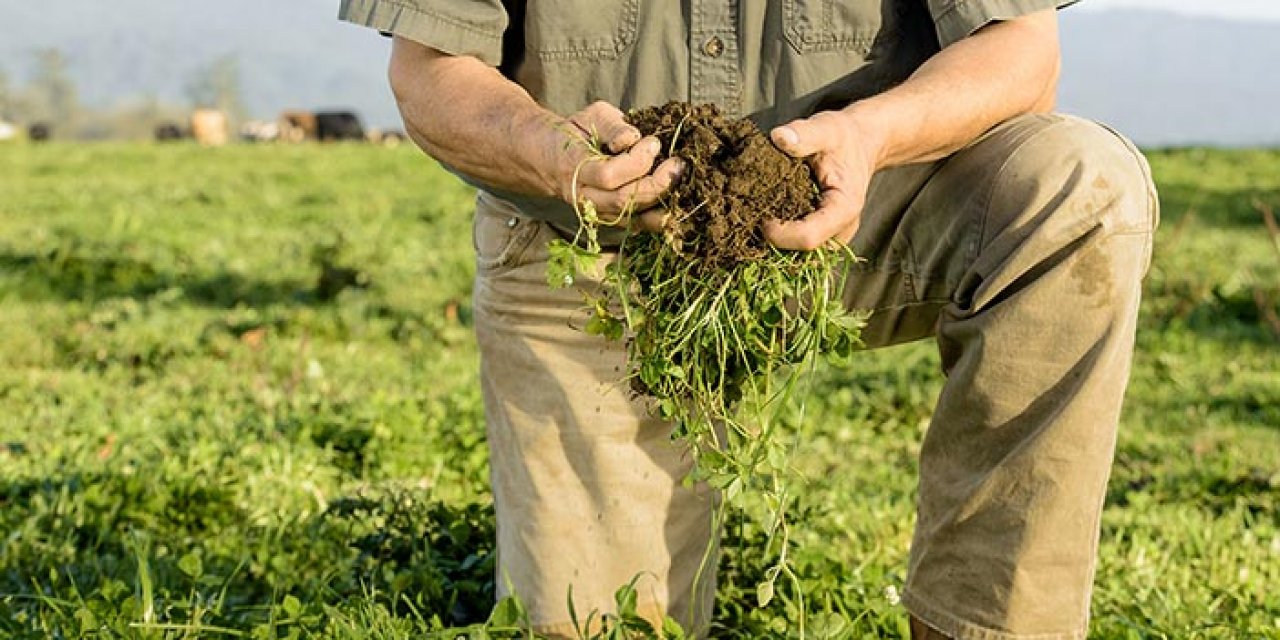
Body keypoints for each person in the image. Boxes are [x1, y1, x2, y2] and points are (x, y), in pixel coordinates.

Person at [339, 1, 1157, 638]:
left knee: (1081, 188)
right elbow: (429, 70)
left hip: (860, 201)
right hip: (590, 244)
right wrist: (553, 154)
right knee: (600, 624)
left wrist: (868, 134)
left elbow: (1020, 49)